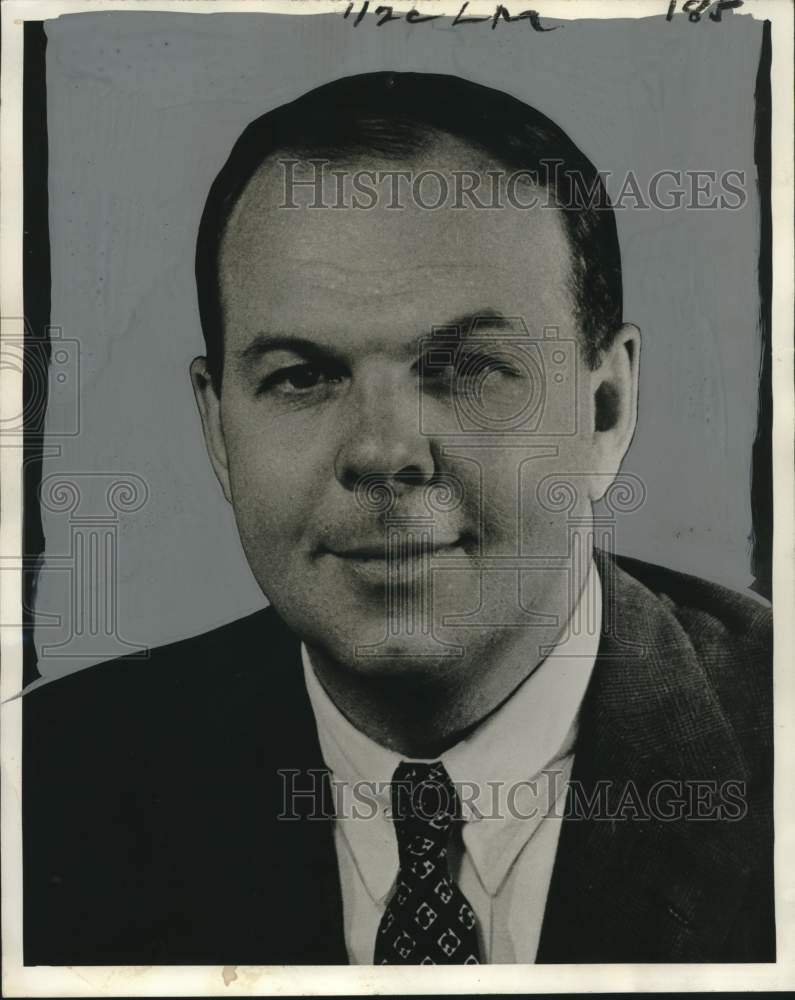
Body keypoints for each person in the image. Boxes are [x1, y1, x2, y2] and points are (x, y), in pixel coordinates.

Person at [23, 72, 773, 966]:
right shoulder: (44, 786)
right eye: (301, 377)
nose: (382, 454)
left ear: (605, 408)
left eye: (465, 370)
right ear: (218, 428)